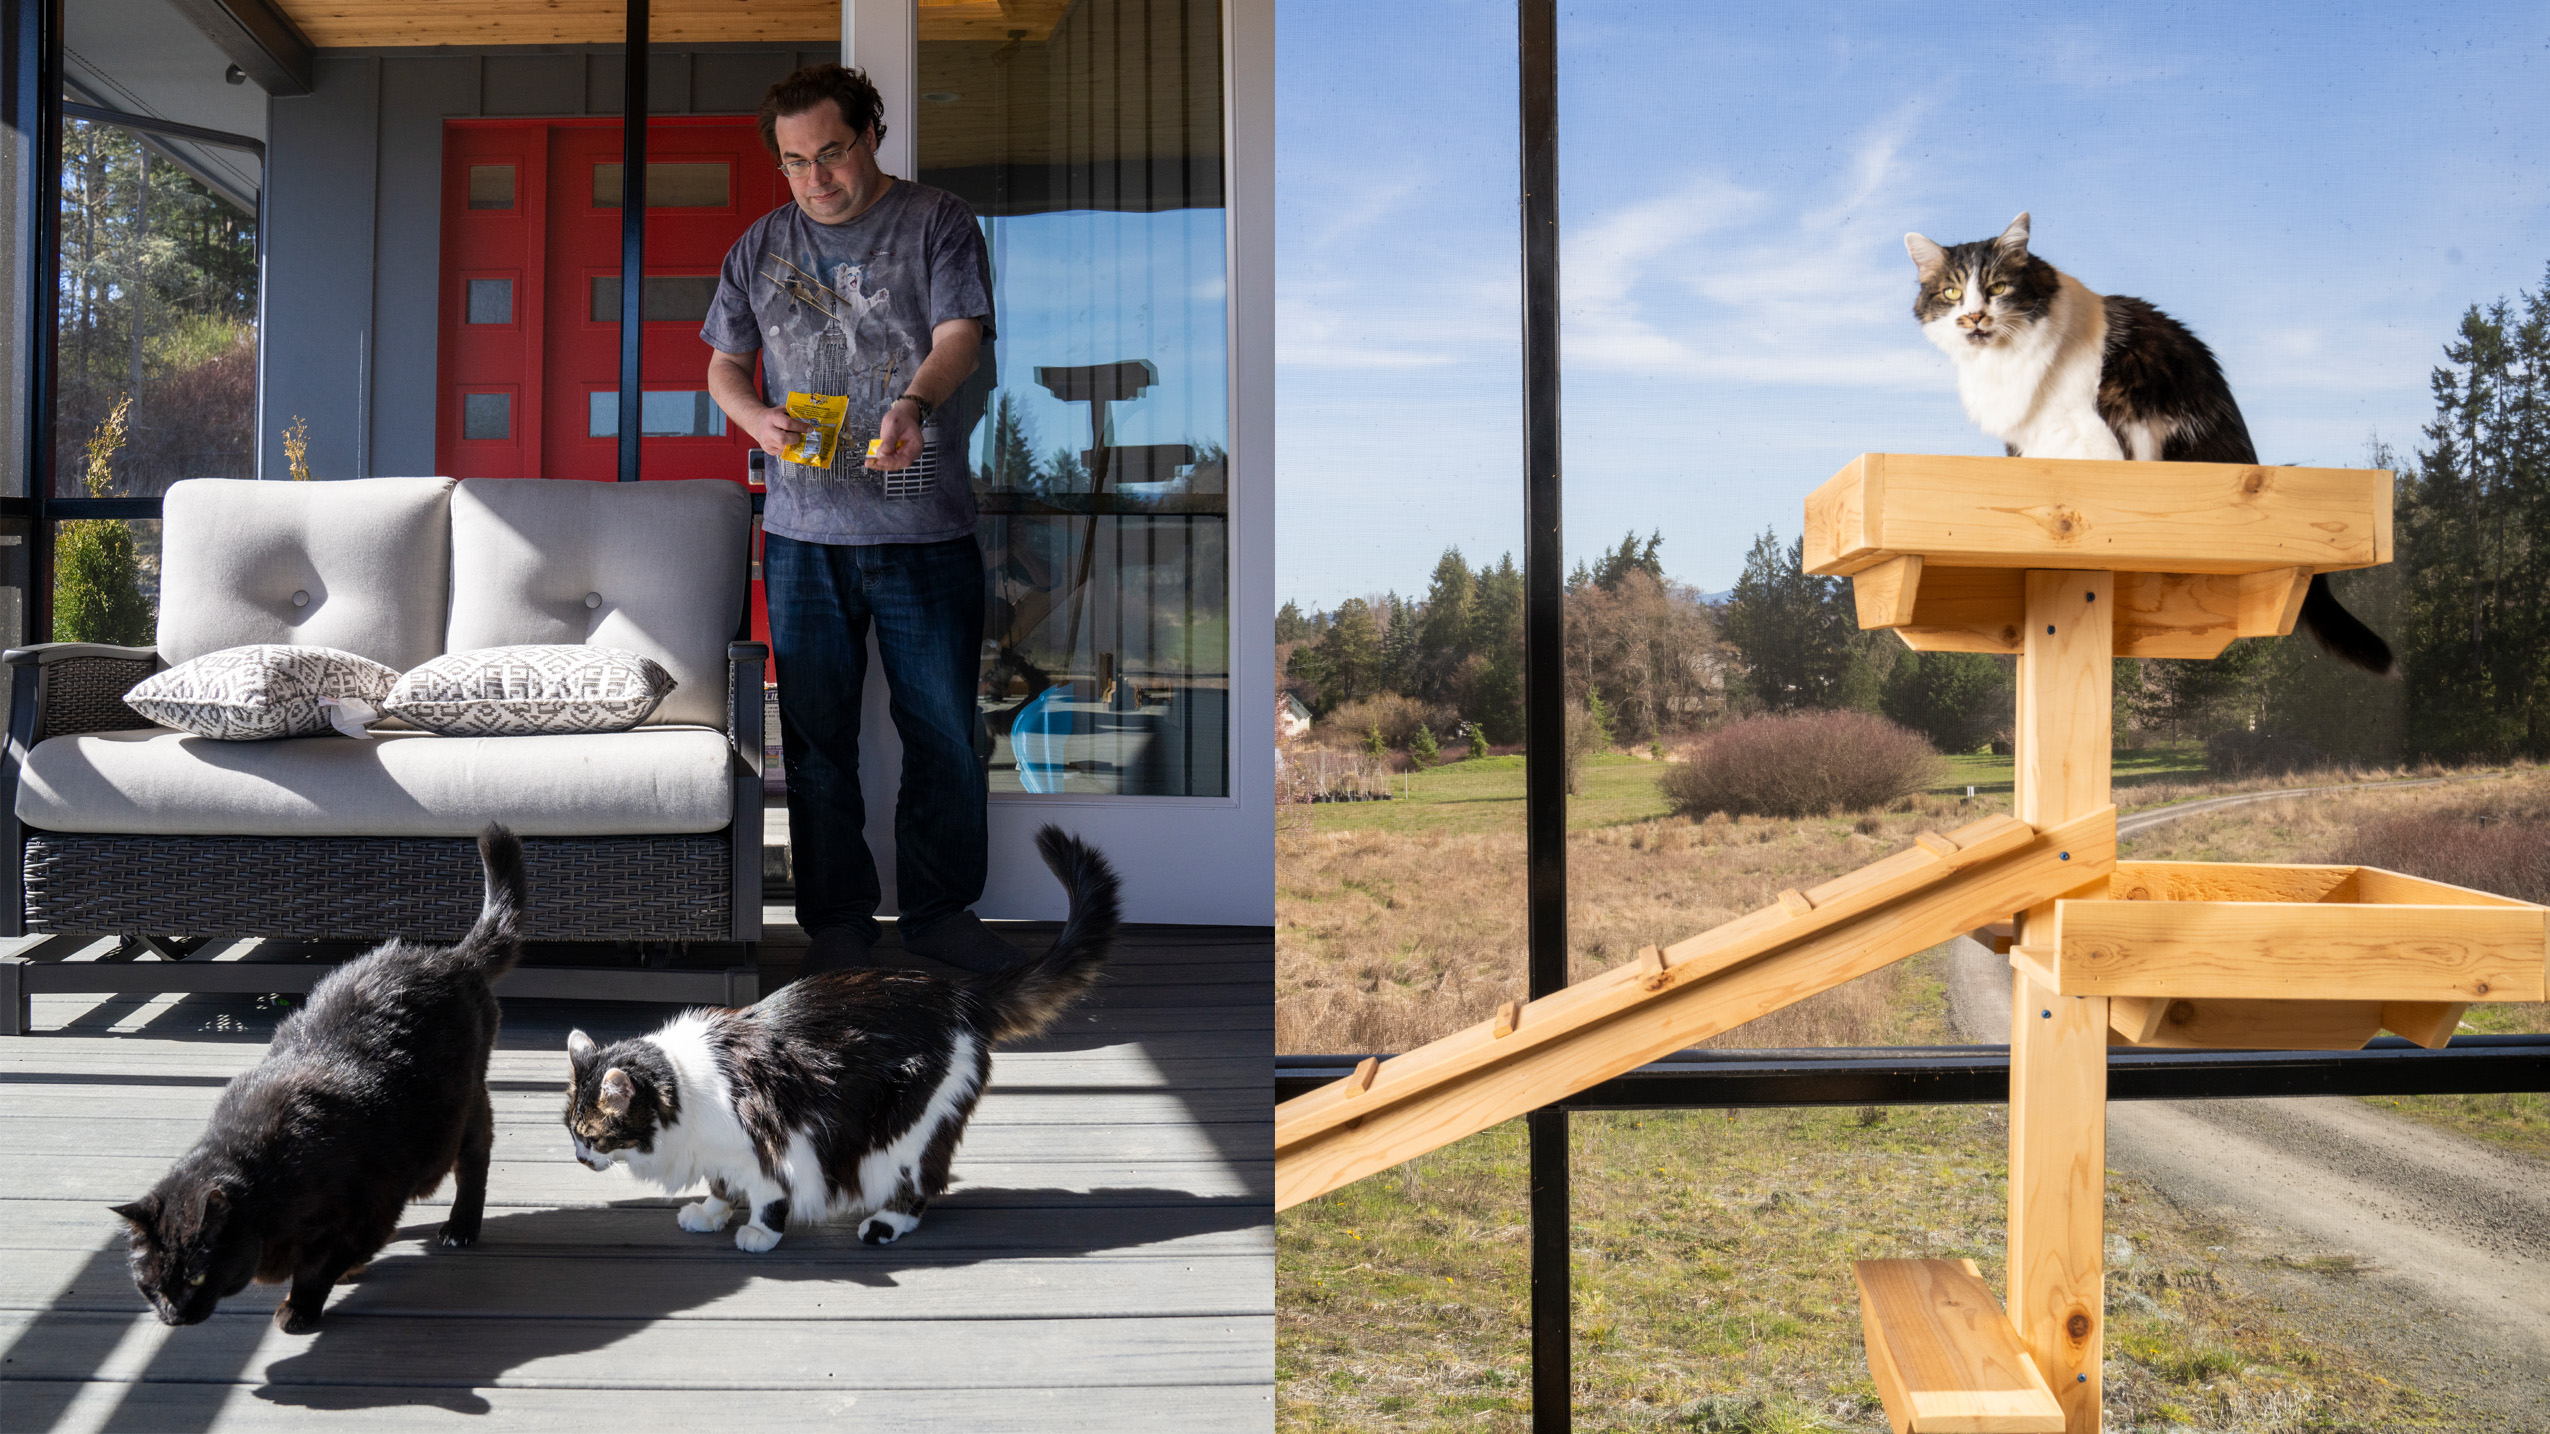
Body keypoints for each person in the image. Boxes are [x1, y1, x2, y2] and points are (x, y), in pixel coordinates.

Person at [702, 63, 1012, 975]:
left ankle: (942, 915)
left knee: (945, 732)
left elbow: (960, 334)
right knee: (816, 738)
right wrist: (755, 415)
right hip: (803, 539)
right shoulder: (759, 247)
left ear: (871, 133)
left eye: (829, 154)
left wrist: (913, 402)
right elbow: (723, 365)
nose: (814, 180)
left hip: (926, 532)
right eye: (794, 163)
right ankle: (836, 925)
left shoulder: (939, 223)